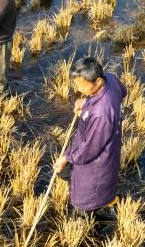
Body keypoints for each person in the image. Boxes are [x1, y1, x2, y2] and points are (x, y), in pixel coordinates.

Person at [54, 57, 128, 223]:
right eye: (77, 85)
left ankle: (85, 218)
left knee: (87, 189)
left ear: (98, 81)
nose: (79, 89)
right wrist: (87, 102)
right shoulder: (110, 79)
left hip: (96, 157)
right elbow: (123, 91)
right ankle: (106, 201)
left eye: (83, 86)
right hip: (109, 144)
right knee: (104, 180)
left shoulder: (101, 114)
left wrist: (67, 158)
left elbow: (90, 150)